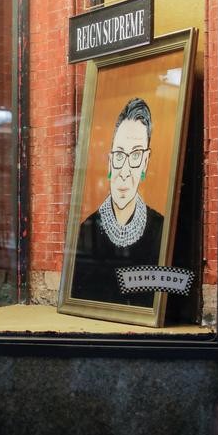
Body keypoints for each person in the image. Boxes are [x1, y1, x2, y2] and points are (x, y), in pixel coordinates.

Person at [71, 97, 164, 306]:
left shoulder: (161, 229)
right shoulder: (85, 229)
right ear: (110, 161)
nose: (124, 172)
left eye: (136, 155)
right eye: (120, 155)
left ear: (146, 162)